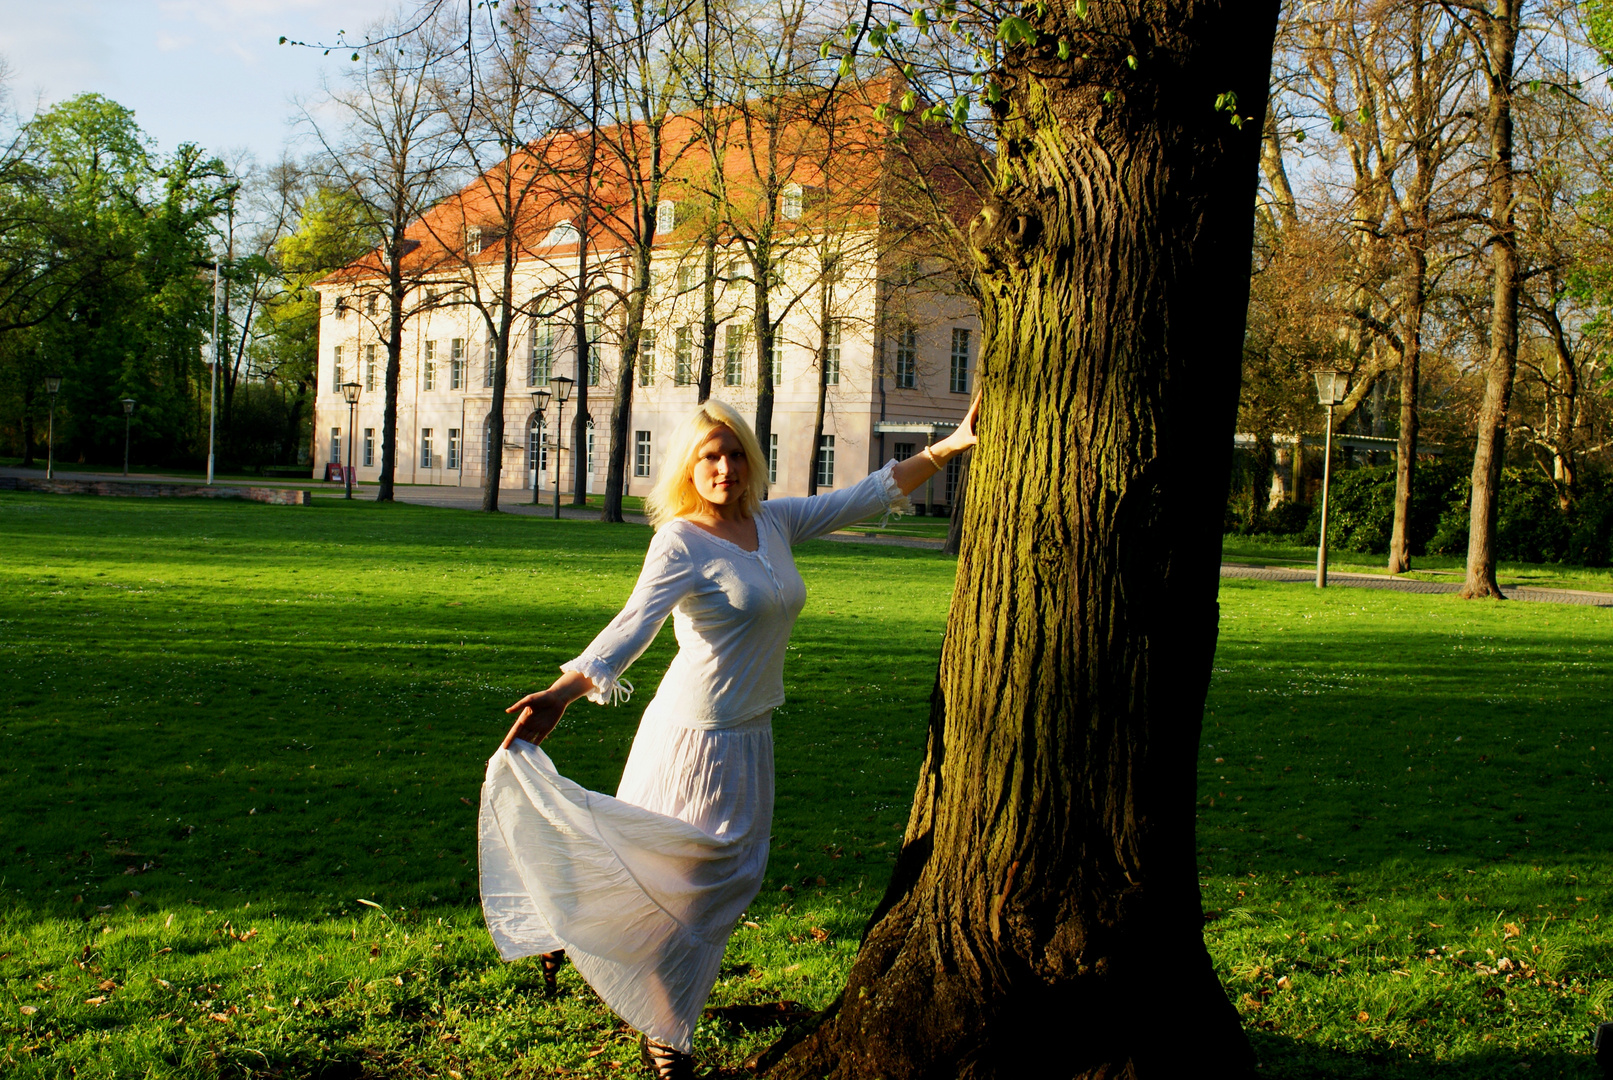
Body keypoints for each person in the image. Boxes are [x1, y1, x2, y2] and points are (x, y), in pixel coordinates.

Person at [479, 396, 979, 1078]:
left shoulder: (771, 522)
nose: (724, 467)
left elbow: (864, 495)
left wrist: (949, 447)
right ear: (690, 465)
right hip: (690, 735)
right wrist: (565, 691)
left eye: (735, 452)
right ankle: (664, 1033)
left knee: (718, 881)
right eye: (710, 455)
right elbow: (633, 624)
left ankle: (595, 927)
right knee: (691, 886)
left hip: (749, 734)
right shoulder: (681, 540)